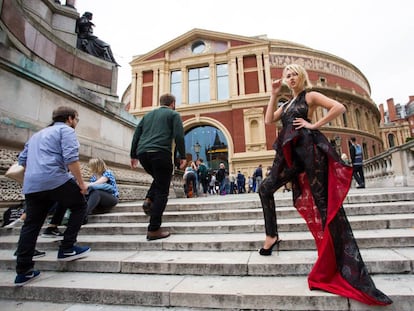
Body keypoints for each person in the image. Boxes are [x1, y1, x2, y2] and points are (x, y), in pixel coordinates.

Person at [258, 64, 392, 306]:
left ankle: (334, 259)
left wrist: (313, 125)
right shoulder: (286, 103)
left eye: (293, 74)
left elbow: (338, 107)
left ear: (302, 76)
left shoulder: (310, 95)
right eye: (287, 75)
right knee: (265, 188)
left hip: (310, 151)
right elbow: (269, 120)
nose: (290, 78)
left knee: (323, 204)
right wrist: (273, 94)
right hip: (289, 154)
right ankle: (271, 235)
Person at [14, 106, 91, 286]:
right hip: (55, 178)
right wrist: (81, 184)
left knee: (31, 224)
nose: (76, 123)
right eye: (77, 120)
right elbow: (71, 159)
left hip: (32, 184)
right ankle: (67, 247)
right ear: (70, 118)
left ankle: (23, 271)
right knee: (80, 206)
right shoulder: (66, 131)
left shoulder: (36, 135)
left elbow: (22, 161)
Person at [130, 93, 186, 241]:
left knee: (160, 179)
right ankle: (153, 229)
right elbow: (179, 136)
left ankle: (149, 199)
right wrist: (183, 156)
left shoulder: (147, 116)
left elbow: (136, 134)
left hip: (143, 154)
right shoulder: (173, 114)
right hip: (160, 153)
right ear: (173, 103)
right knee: (162, 190)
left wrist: (133, 155)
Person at [82, 158, 119, 224]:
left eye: (92, 166)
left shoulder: (108, 172)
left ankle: (83, 216)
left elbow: (99, 182)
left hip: (112, 198)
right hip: (98, 200)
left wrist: (87, 185)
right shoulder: (93, 177)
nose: (90, 168)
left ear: (97, 166)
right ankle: (78, 214)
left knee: (97, 192)